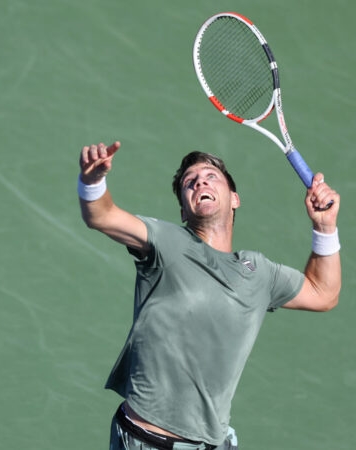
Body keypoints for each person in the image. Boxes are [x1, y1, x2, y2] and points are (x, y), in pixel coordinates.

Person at [77, 141, 341, 450]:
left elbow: (324, 294)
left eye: (211, 176)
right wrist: (92, 181)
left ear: (235, 199)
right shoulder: (167, 242)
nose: (200, 181)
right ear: (183, 211)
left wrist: (324, 227)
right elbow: (101, 216)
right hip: (148, 441)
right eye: (190, 182)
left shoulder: (259, 272)